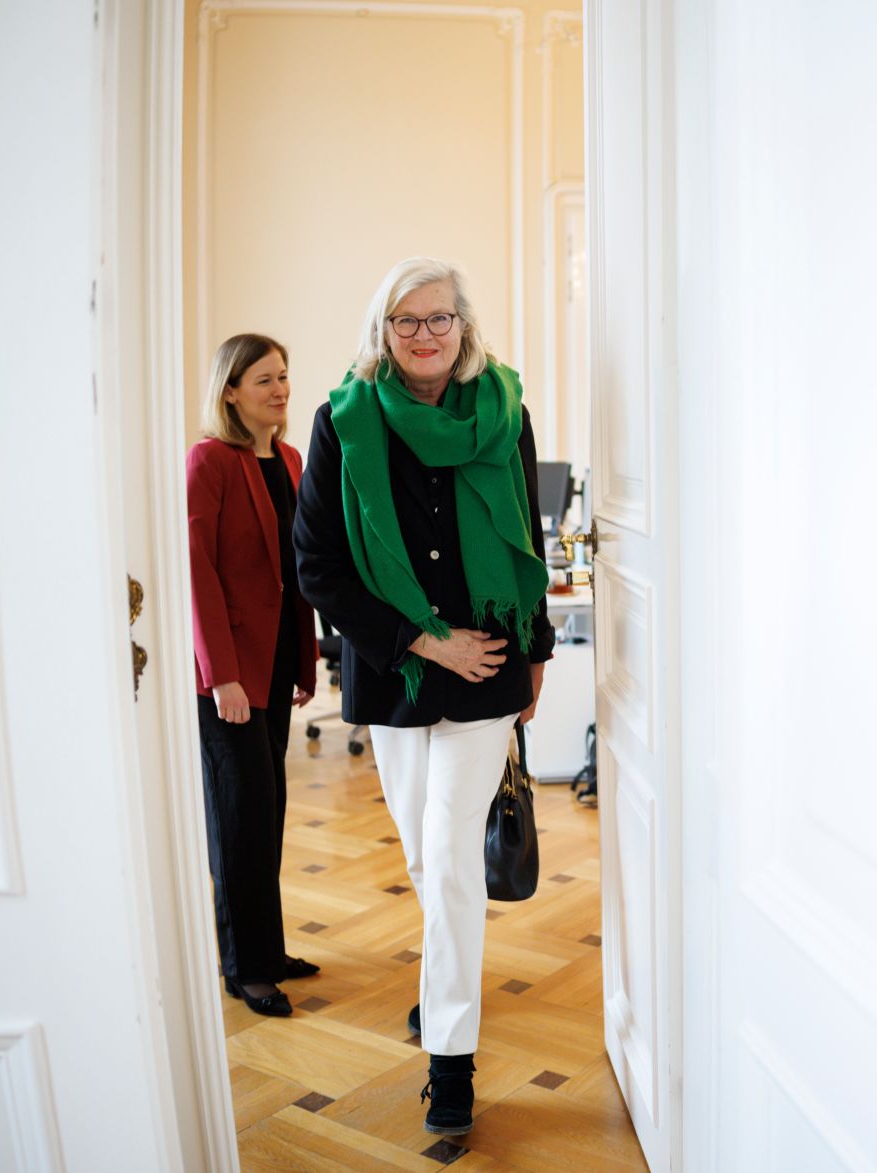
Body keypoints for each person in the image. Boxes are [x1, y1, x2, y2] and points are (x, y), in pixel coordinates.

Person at [293, 258, 555, 1135]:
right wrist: (422, 638)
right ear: (383, 331)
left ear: (463, 323)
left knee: (447, 858)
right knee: (424, 856)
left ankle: (451, 1058)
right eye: (406, 322)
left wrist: (538, 649)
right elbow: (318, 565)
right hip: (397, 670)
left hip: (487, 665)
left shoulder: (504, 410)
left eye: (438, 318)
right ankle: (444, 977)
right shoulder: (343, 421)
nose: (425, 336)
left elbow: (530, 532)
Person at [187, 333, 320, 1018]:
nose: (281, 389)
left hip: (273, 666)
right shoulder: (208, 460)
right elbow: (196, 572)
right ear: (230, 389)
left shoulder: (291, 460)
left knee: (267, 814)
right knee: (239, 817)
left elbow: (296, 574)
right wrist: (220, 675)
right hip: (231, 677)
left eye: (285, 376)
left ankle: (266, 948)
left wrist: (305, 660)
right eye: (265, 378)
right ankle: (245, 965)